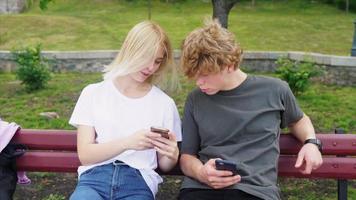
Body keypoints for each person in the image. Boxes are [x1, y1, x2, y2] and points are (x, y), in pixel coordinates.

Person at [178, 20, 323, 200]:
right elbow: (186, 157)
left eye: (205, 75)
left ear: (229, 64)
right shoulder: (196, 99)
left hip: (255, 192)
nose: (199, 83)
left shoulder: (275, 90)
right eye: (194, 76)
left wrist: (311, 143)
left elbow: (298, 120)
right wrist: (201, 173)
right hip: (201, 190)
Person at [69, 21, 182, 200]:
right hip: (93, 180)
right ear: (131, 50)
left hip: (138, 182)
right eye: (146, 57)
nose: (151, 67)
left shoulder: (164, 103)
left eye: (157, 61)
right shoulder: (93, 93)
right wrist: (127, 142)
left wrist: (172, 155)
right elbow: (86, 156)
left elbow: (165, 165)